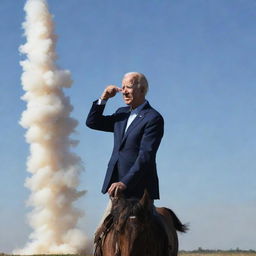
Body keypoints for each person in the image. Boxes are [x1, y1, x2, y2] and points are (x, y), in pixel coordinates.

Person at [86, 72, 164, 200]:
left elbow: (146, 156)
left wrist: (125, 182)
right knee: (106, 221)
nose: (124, 92)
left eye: (128, 87)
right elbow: (92, 122)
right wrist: (104, 98)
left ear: (142, 90)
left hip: (139, 190)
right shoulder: (121, 113)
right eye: (123, 87)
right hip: (115, 188)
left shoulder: (153, 118)